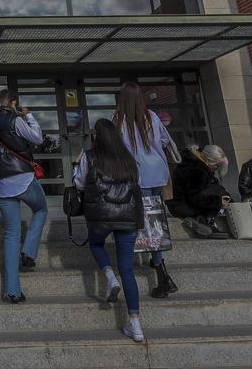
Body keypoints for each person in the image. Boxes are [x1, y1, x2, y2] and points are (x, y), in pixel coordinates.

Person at [74, 118, 147, 343]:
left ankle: (108, 275)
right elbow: (139, 183)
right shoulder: (129, 159)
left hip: (101, 216)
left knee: (95, 243)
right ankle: (135, 323)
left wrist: (78, 165)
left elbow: (78, 184)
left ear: (97, 136)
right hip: (128, 216)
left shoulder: (89, 156)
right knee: (128, 269)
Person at [113, 82, 178, 297]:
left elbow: (118, 150)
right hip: (157, 172)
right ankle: (157, 262)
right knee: (154, 219)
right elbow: (162, 140)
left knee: (149, 225)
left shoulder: (119, 119)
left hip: (137, 176)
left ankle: (162, 273)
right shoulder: (151, 115)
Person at [0, 88, 46, 304]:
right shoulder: (14, 120)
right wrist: (28, 115)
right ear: (11, 103)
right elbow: (37, 137)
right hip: (23, 178)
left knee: (11, 234)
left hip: (1, 183)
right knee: (41, 209)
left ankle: (13, 291)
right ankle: (28, 252)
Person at [168, 145, 232, 238]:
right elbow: (195, 197)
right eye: (216, 165)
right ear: (209, 160)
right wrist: (218, 201)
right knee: (218, 191)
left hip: (177, 205)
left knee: (218, 190)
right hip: (182, 206)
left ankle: (200, 220)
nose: (217, 168)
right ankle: (207, 221)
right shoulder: (197, 170)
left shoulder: (194, 165)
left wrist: (225, 198)